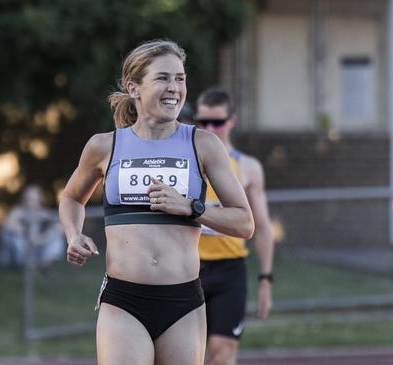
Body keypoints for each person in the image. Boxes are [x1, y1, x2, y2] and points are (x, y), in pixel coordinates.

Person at [58, 40, 254, 365]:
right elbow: (70, 198)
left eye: (180, 79)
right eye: (163, 78)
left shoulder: (203, 145)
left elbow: (245, 223)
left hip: (183, 302)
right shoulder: (104, 146)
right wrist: (73, 234)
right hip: (124, 300)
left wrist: (193, 207)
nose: (174, 88)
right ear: (134, 87)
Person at [192, 89, 274, 365]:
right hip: (188, 267)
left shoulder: (248, 167)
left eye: (217, 122)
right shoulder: (186, 163)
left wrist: (265, 280)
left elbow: (262, 227)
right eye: (203, 122)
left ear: (232, 121)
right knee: (185, 353)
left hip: (229, 268)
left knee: (223, 350)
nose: (210, 129)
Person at [0, 185, 65, 268]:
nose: (31, 202)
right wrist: (28, 234)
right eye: (29, 199)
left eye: (34, 199)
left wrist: (41, 238)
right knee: (13, 237)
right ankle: (29, 265)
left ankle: (45, 263)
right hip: (21, 250)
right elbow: (8, 224)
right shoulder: (18, 211)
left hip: (37, 247)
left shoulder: (44, 213)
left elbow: (60, 226)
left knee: (57, 234)